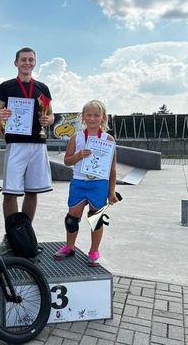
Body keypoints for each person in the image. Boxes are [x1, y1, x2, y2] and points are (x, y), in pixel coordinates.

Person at [0, 47, 54, 252]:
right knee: (10, 192)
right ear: (16, 62)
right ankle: (11, 237)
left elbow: (51, 115)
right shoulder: (7, 86)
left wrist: (48, 120)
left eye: (30, 60)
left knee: (32, 191)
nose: (27, 63)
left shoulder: (42, 88)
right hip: (16, 143)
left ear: (34, 63)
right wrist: (0, 116)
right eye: (23, 59)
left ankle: (25, 235)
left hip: (38, 143)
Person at [53, 100, 118, 266]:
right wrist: (78, 156)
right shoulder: (76, 138)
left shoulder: (108, 139)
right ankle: (70, 247)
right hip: (79, 183)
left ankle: (94, 251)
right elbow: (67, 161)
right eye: (88, 115)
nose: (92, 118)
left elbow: (112, 169)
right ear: (83, 117)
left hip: (99, 184)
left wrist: (111, 192)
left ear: (103, 117)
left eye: (96, 115)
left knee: (96, 219)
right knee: (71, 219)